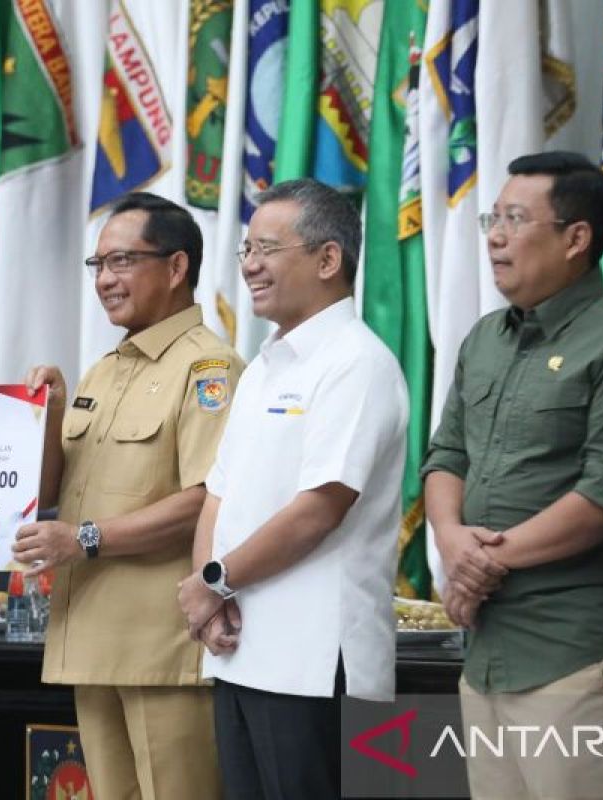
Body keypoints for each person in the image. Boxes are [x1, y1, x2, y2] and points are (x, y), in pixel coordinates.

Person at [422, 151, 603, 799]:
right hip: (487, 652)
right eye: (493, 217)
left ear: (576, 238)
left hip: (577, 657)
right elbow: (446, 456)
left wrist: (483, 563)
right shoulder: (486, 338)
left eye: (515, 218)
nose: (495, 235)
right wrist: (453, 543)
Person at [177, 178, 408, 799]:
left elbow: (318, 511)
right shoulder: (262, 368)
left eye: (266, 249)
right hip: (241, 647)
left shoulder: (358, 363)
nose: (249, 265)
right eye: (245, 250)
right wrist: (210, 593)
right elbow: (217, 495)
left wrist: (214, 583)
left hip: (315, 663)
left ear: (328, 259)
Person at [13, 192, 242, 799]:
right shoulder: (103, 371)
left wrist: (85, 539)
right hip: (89, 635)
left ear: (175, 267)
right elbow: (52, 490)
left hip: (162, 644)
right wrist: (49, 414)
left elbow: (206, 498)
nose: (106, 280)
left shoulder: (210, 369)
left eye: (121, 261)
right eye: (98, 266)